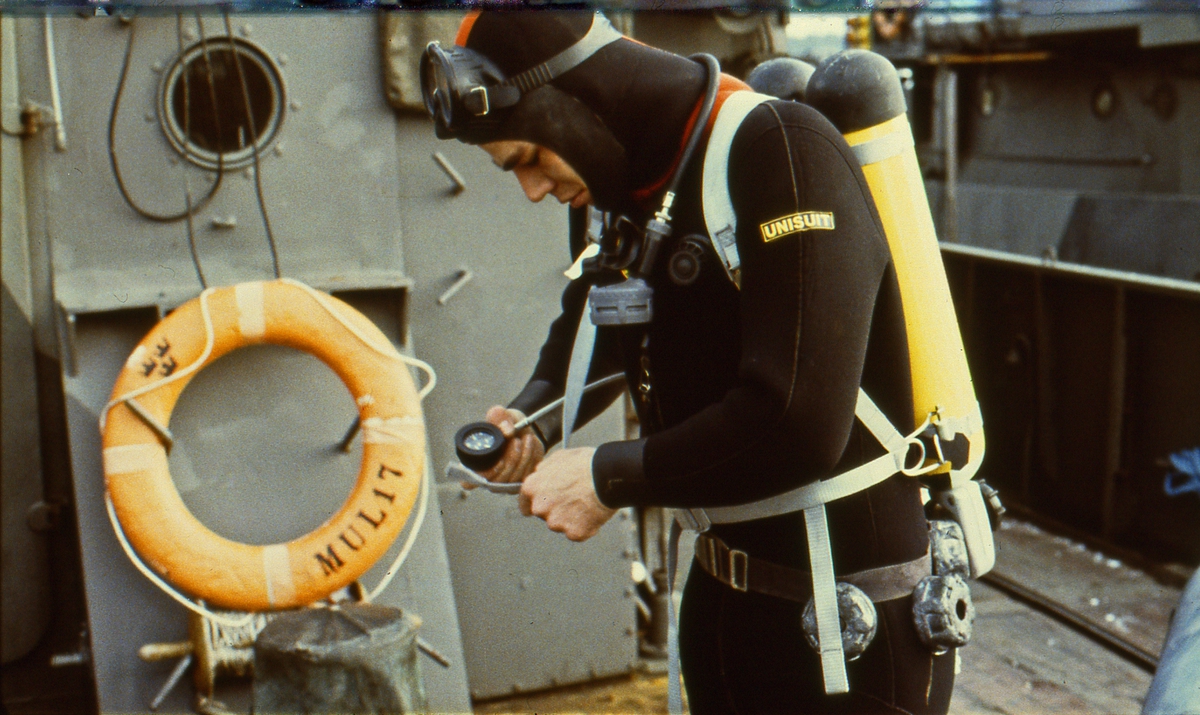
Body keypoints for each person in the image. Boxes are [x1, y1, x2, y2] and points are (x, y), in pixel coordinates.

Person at [422, 11, 955, 714]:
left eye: (528, 157)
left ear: (575, 100)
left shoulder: (782, 150)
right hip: (724, 598)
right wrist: (534, 418)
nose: (532, 188)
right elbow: (603, 315)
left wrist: (607, 477)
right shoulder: (632, 181)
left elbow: (798, 420)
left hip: (844, 618)